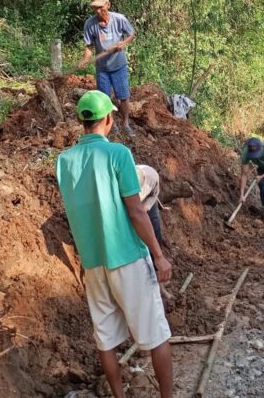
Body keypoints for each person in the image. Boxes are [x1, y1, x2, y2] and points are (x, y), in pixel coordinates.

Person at [56, 91, 172, 398]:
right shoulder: (118, 154)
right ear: (108, 119)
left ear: (82, 121)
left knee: (105, 339)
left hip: (93, 262)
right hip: (128, 257)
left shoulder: (64, 161)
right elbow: (136, 210)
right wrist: (159, 256)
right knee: (156, 335)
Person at [77, 0, 137, 136]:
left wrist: (123, 43)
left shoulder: (119, 19)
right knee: (104, 98)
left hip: (119, 66)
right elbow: (89, 46)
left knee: (123, 96)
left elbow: (131, 33)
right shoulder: (90, 24)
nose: (98, 11)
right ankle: (112, 125)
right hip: (102, 68)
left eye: (100, 7)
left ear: (108, 5)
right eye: (95, 8)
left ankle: (126, 124)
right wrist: (85, 59)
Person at [136, 164, 173, 300]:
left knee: (154, 235)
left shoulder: (149, 183)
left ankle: (160, 285)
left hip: (150, 195)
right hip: (136, 188)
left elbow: (140, 213)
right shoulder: (123, 180)